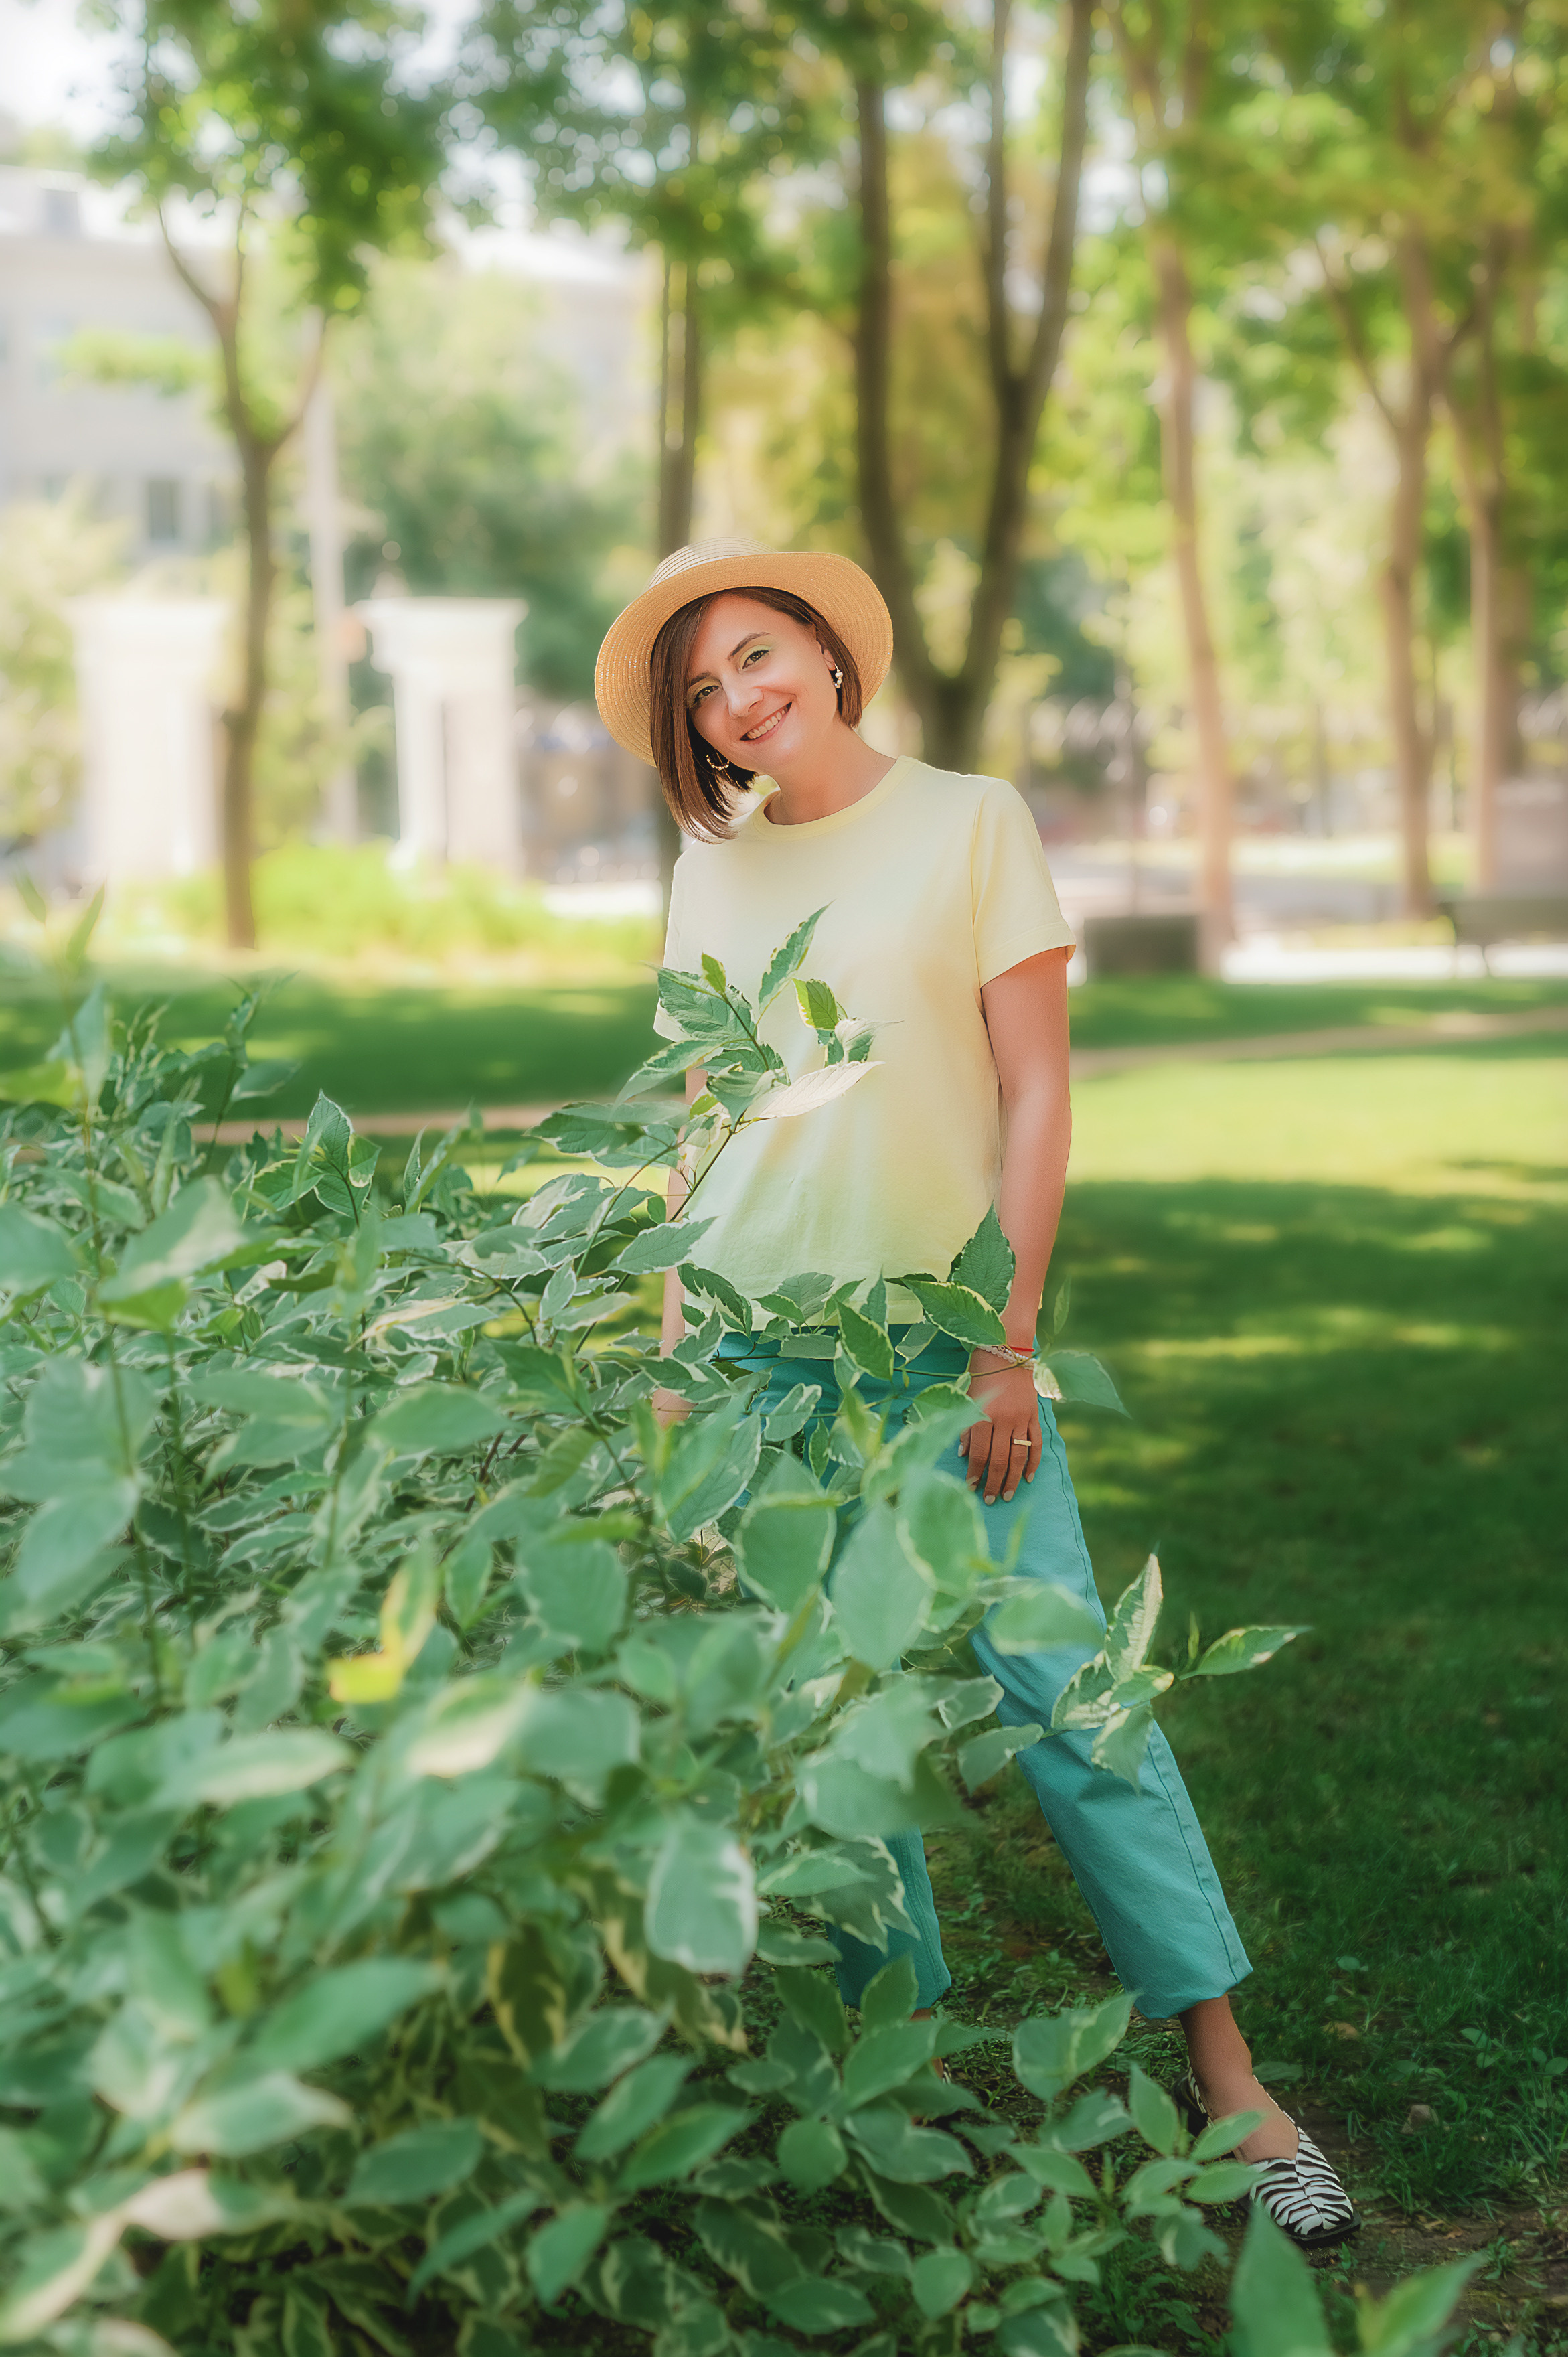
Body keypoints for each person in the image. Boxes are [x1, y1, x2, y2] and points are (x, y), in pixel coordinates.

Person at [593, 537, 1357, 2250]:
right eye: (703, 689)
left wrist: (1004, 1339)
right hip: (750, 1350)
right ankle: (907, 2083)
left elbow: (1036, 1095)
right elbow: (696, 1125)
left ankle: (1234, 2085)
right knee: (829, 1726)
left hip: (942, 1349)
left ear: (825, 647)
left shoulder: (971, 822)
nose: (737, 698)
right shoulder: (709, 871)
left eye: (755, 652)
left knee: (1074, 1698)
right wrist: (672, 1370)